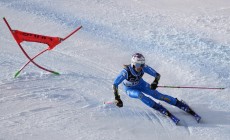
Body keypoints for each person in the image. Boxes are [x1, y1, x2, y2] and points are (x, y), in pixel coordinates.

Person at [112, 53, 197, 118]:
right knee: (140, 95)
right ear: (133, 64)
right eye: (138, 65)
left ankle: (178, 103)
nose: (140, 67)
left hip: (141, 84)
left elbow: (157, 75)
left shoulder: (143, 67)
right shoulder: (126, 72)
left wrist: (155, 82)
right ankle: (157, 107)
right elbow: (115, 84)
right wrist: (117, 98)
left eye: (142, 65)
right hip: (130, 89)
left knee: (158, 95)